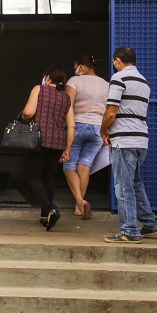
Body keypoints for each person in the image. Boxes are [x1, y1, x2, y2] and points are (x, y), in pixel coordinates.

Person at [100, 47, 157, 244]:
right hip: (141, 140)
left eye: (114, 62)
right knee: (135, 184)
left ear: (117, 61)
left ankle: (129, 230)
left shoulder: (118, 79)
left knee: (123, 186)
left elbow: (111, 112)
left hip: (124, 141)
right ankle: (151, 224)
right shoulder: (143, 82)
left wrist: (103, 131)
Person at [20, 65, 75, 231]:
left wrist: (23, 115)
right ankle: (45, 216)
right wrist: (67, 149)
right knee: (48, 179)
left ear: (48, 77)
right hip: (57, 143)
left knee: (34, 177)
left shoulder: (39, 89)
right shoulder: (66, 98)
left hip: (39, 140)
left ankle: (50, 208)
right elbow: (71, 126)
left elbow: (29, 112)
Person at [63, 54, 109, 220]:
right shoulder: (106, 84)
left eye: (76, 66)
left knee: (69, 166)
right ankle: (78, 208)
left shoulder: (75, 81)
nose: (75, 70)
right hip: (98, 129)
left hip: (77, 126)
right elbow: (110, 110)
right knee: (85, 167)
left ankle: (79, 200)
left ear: (81, 67)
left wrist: (66, 126)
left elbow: (67, 106)